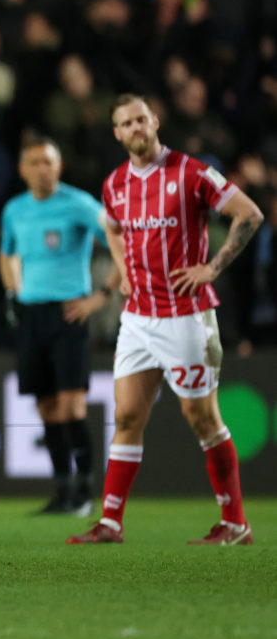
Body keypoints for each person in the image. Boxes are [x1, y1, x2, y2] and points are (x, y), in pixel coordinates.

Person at [69, 94, 263, 546]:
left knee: (201, 418)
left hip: (186, 316)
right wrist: (121, 273)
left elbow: (249, 214)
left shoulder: (192, 172)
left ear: (155, 121)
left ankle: (236, 523)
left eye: (141, 119)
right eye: (125, 123)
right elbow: (113, 227)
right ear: (117, 133)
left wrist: (211, 269)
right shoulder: (115, 183)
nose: (135, 127)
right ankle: (110, 523)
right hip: (137, 317)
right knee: (128, 415)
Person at [0, 137, 120, 516]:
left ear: (59, 166)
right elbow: (6, 253)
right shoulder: (14, 209)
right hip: (33, 314)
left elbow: (119, 243)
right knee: (47, 407)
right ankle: (62, 490)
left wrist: (100, 297)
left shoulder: (79, 203)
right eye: (34, 162)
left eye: (48, 162)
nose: (42, 169)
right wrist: (12, 293)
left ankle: (84, 492)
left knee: (72, 404)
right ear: (23, 169)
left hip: (70, 314)